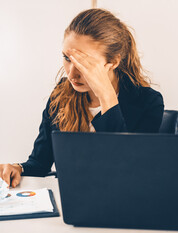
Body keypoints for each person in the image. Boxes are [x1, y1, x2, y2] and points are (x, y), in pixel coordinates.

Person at [0, 9, 164, 187]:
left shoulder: (148, 101)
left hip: (121, 203)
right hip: (69, 200)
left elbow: (129, 170)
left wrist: (106, 96)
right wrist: (19, 168)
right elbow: (40, 162)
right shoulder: (61, 94)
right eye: (67, 58)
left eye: (83, 62)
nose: (72, 74)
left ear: (114, 62)